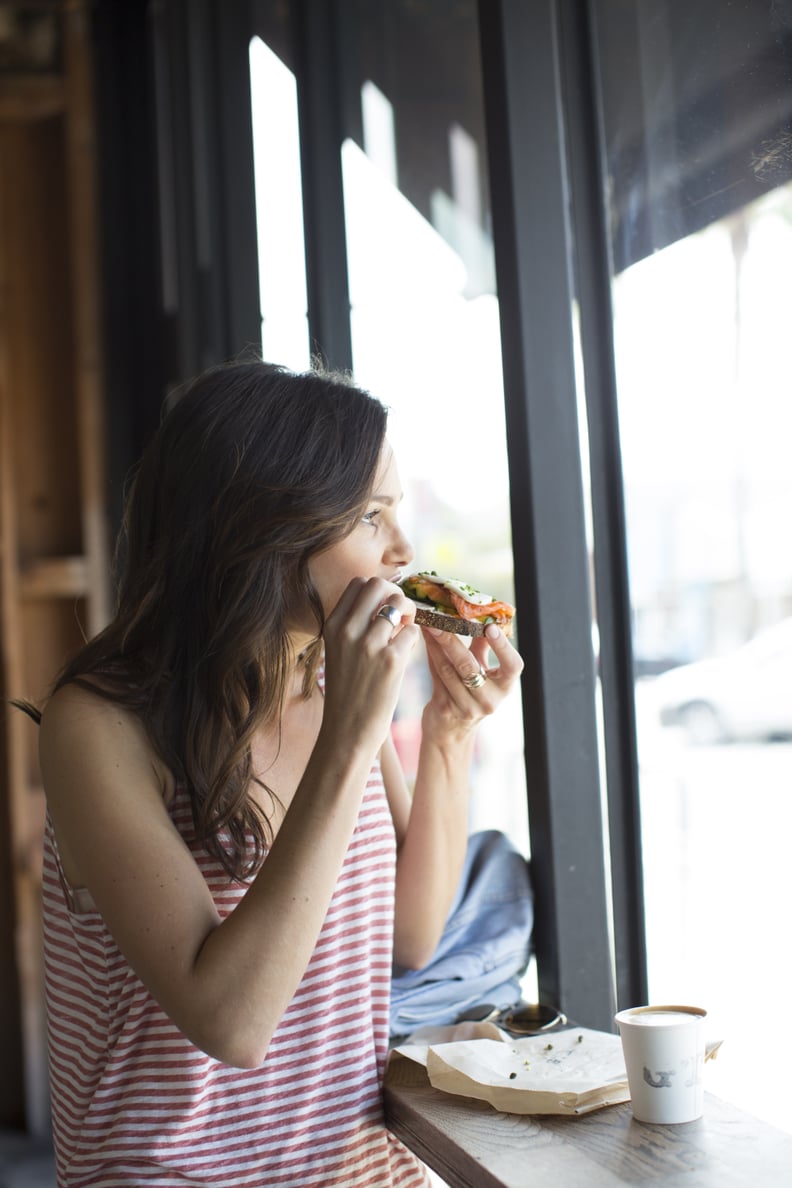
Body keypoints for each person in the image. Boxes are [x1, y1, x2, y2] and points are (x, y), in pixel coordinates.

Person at [25, 359, 524, 1186]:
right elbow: (230, 1022)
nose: (402, 550)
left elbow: (409, 936)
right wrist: (350, 739)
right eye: (371, 516)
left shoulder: (334, 686)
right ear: (264, 529)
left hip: (356, 1165)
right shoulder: (101, 723)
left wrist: (446, 732)